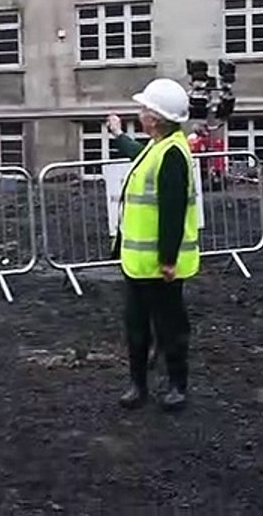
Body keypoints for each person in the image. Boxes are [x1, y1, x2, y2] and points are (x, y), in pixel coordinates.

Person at [107, 77, 201, 412]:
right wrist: (118, 136)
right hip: (136, 263)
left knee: (170, 327)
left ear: (156, 117)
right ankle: (138, 384)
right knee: (135, 326)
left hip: (161, 265)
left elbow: (173, 211)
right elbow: (137, 153)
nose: (141, 112)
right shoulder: (159, 145)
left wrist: (167, 259)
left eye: (145, 108)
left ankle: (177, 386)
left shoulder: (173, 153)